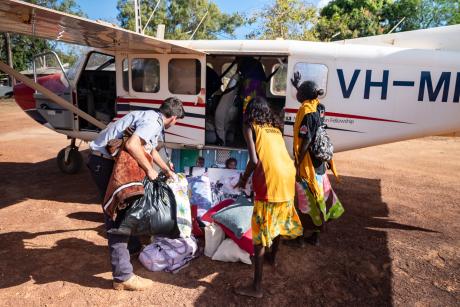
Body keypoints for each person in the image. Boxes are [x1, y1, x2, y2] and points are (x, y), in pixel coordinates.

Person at [87, 97, 184, 291]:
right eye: (177, 121)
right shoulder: (153, 122)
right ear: (173, 118)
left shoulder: (150, 117)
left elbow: (148, 148)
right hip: (105, 164)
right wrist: (149, 170)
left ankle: (130, 248)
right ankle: (123, 276)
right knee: (119, 216)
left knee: (123, 212)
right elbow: (133, 145)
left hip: (101, 161)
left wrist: (165, 169)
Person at [234, 97, 303, 298]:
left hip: (269, 180)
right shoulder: (274, 127)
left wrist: (244, 178)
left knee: (259, 235)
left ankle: (256, 287)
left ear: (250, 111)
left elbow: (254, 161)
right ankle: (272, 258)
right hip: (287, 177)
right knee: (279, 220)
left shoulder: (250, 126)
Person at [291, 77, 344, 246]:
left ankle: (299, 238)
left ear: (304, 95)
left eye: (298, 92)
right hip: (320, 164)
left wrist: (298, 161)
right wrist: (299, 86)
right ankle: (315, 236)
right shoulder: (319, 108)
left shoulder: (307, 113)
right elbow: (309, 95)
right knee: (319, 197)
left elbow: (306, 140)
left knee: (303, 202)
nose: (296, 94)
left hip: (309, 166)